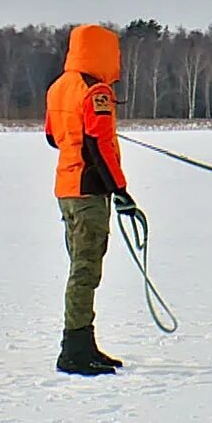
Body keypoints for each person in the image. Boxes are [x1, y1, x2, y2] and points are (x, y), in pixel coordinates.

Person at [45, 24, 141, 376]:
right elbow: (99, 146)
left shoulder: (59, 87)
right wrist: (121, 191)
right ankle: (74, 349)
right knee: (86, 271)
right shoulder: (95, 91)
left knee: (81, 269)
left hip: (67, 190)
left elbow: (53, 138)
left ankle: (83, 342)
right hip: (88, 193)